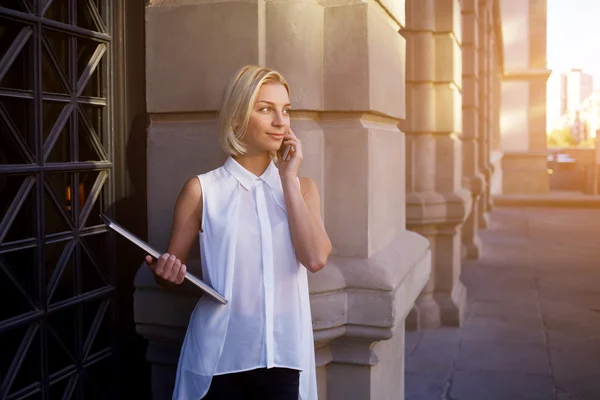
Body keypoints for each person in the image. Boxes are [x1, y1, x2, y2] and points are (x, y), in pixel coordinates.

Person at [145, 65, 332, 400]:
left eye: (285, 111)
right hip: (218, 361)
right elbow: (170, 269)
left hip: (285, 359)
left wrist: (288, 179)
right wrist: (166, 272)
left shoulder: (303, 188)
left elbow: (316, 258)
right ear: (236, 118)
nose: (280, 121)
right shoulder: (202, 190)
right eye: (265, 109)